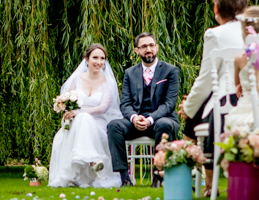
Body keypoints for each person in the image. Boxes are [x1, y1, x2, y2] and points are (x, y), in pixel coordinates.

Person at [178, 0, 249, 196]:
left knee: (197, 113)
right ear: (244, 7)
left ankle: (205, 181)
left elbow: (207, 78)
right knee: (201, 109)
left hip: (227, 100)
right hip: (252, 99)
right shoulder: (256, 31)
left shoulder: (214, 34)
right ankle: (205, 181)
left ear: (216, 9)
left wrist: (187, 107)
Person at [108, 33, 180, 187]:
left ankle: (158, 176)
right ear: (136, 51)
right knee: (114, 126)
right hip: (137, 122)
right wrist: (134, 118)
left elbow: (169, 103)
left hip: (161, 120)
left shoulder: (171, 71)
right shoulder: (129, 73)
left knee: (164, 125)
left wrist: (150, 119)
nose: (148, 49)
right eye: (144, 46)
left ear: (157, 47)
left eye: (151, 45)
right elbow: (125, 103)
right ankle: (124, 178)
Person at [48, 43, 123, 188]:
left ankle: (85, 165)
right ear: (87, 59)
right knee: (81, 119)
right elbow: (67, 101)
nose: (99, 62)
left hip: (98, 123)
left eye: (102, 58)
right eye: (95, 57)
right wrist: (68, 110)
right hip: (76, 122)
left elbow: (103, 107)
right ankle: (92, 161)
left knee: (84, 117)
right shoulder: (76, 79)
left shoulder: (109, 82)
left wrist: (79, 112)